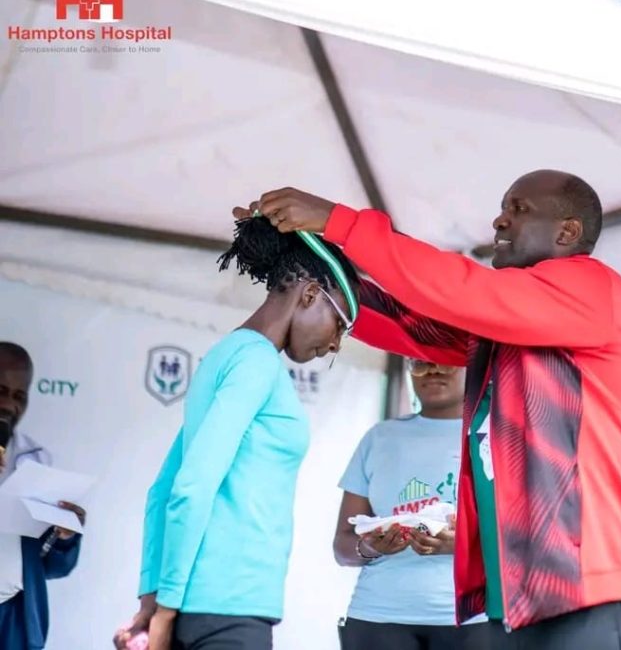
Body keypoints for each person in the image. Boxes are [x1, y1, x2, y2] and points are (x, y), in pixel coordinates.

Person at [236, 169, 621, 649]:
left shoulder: (593, 288)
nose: (499, 222)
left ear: (567, 232)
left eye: (519, 210)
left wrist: (340, 224)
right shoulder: (509, 319)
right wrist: (307, 263)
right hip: (521, 589)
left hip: (593, 575)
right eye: (503, 208)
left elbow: (461, 290)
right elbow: (417, 323)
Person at [113, 216, 359, 650]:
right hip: (228, 608)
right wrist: (164, 611)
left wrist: (153, 599)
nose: (337, 343)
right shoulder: (256, 362)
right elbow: (191, 485)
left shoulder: (226, 354)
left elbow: (163, 488)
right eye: (341, 322)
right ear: (309, 294)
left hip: (203, 605)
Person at [333, 359, 487, 650]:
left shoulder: (491, 438)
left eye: (447, 361)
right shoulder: (379, 438)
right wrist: (369, 546)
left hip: (472, 621)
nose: (434, 371)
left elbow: (525, 543)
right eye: (420, 363)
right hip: (377, 618)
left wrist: (466, 546)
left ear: (471, 366)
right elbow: (342, 547)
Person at [0, 342, 87, 650]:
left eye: (19, 396)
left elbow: (51, 566)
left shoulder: (36, 460)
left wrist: (66, 536)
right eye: (1, 391)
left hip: (13, 618)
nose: (9, 405)